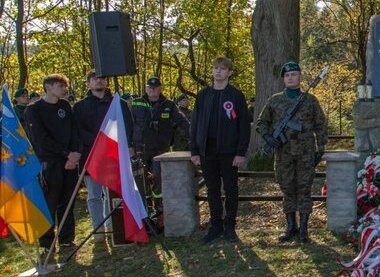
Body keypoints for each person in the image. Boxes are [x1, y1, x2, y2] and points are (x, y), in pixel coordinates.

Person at [255, 61, 327, 243]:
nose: (290, 78)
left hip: (305, 152)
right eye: (287, 75)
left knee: (304, 188)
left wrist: (321, 148)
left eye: (294, 74)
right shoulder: (274, 100)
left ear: (300, 77)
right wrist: (268, 137)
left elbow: (321, 125)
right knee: (287, 187)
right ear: (283, 79)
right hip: (283, 152)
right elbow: (261, 123)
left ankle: (303, 230)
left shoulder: (310, 100)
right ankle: (290, 227)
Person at [189, 57, 251, 243]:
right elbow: (195, 123)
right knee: (212, 189)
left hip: (230, 153)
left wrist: (240, 152)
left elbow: (243, 126)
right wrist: (194, 150)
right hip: (207, 152)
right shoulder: (203, 95)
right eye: (215, 68)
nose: (218, 72)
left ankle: (230, 226)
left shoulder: (236, 96)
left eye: (223, 69)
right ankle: (215, 225)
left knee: (231, 189)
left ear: (229, 73)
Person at [73, 70, 134, 241]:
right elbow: (78, 131)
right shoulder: (79, 107)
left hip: (114, 155)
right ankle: (98, 229)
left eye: (102, 78)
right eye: (95, 79)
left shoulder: (119, 104)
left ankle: (111, 225)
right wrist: (99, 143)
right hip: (91, 155)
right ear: (88, 83)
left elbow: (128, 127)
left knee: (113, 193)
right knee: (94, 195)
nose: (99, 81)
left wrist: (128, 146)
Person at [24, 74, 80, 249]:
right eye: (60, 85)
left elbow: (73, 131)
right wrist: (65, 154)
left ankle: (66, 239)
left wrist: (75, 153)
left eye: (65, 85)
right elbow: (40, 138)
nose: (64, 89)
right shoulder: (34, 109)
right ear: (48, 87)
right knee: (50, 201)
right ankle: (47, 242)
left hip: (70, 161)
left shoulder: (65, 106)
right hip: (49, 161)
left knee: (68, 201)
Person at [132, 77, 190, 230]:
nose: (152, 90)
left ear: (160, 88)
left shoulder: (169, 105)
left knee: (158, 180)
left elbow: (181, 121)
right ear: (146, 88)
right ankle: (144, 218)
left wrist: (195, 135)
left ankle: (160, 215)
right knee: (141, 183)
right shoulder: (136, 103)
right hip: (140, 150)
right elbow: (130, 124)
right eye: (149, 87)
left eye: (155, 87)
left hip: (160, 151)